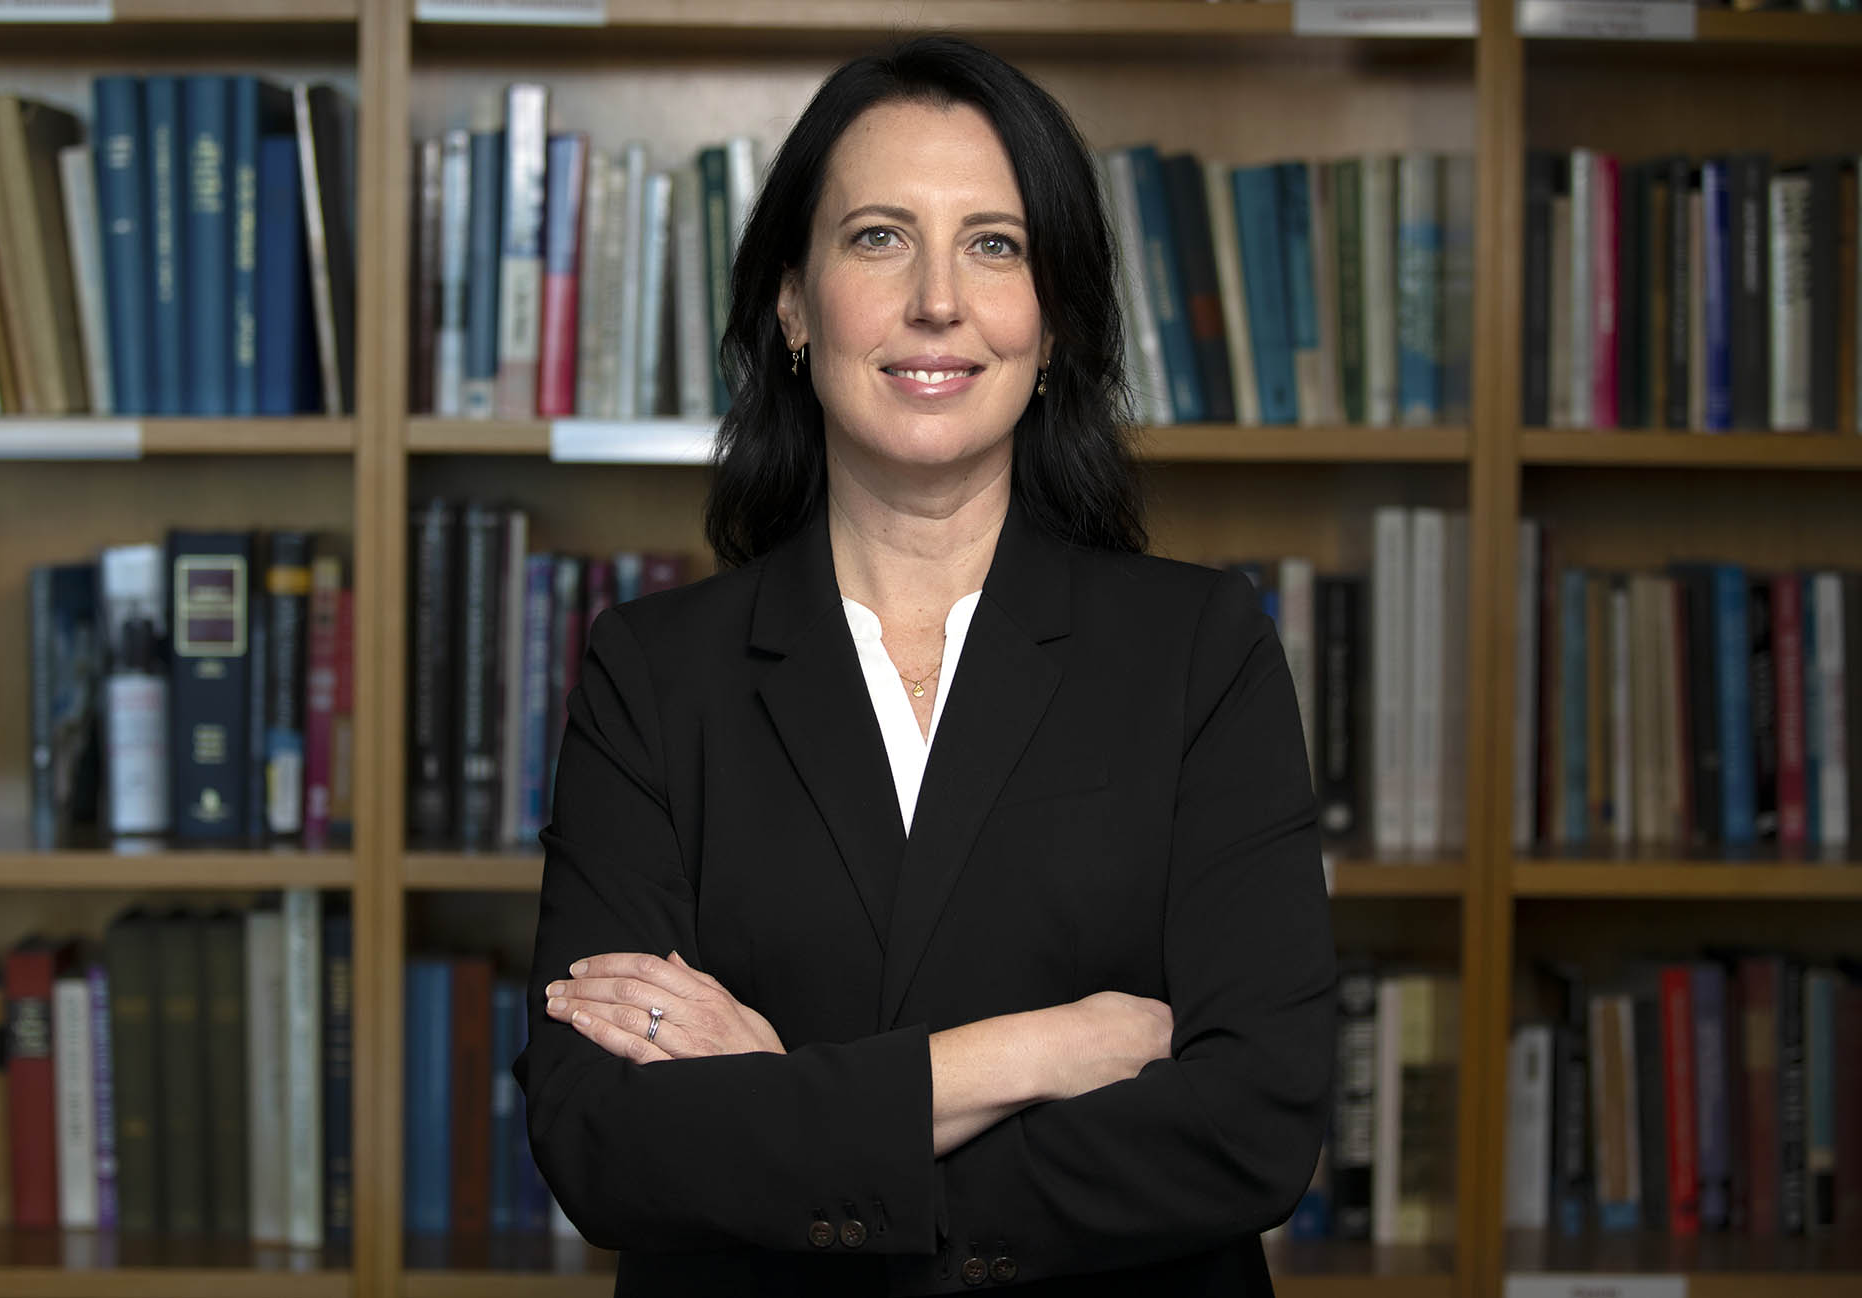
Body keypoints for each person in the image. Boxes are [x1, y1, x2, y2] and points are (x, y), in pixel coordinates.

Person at [512, 33, 1335, 1296]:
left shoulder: (1200, 653)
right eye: (879, 236)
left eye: (995, 244)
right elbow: (601, 1142)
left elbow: (1253, 1124)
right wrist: (1034, 1051)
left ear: (1052, 319)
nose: (937, 299)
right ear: (792, 301)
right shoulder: (653, 672)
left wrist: (787, 1113)